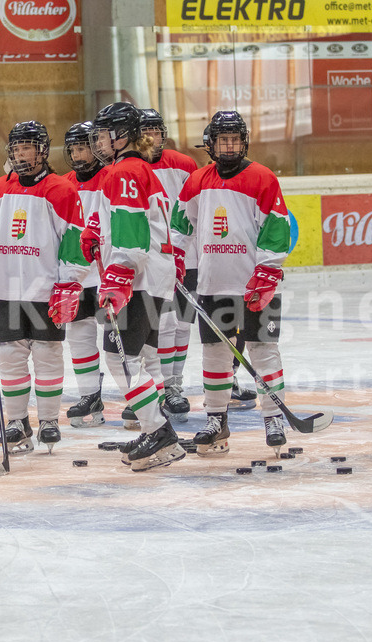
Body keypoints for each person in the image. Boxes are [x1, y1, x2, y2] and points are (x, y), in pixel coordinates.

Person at [170, 110, 292, 457]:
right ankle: (216, 420)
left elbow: (277, 227)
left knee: (263, 349)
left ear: (244, 141)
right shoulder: (197, 181)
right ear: (211, 143)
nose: (229, 146)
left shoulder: (263, 178)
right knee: (215, 353)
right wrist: (174, 258)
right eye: (223, 140)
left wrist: (267, 270)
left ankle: (273, 418)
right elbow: (180, 225)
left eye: (235, 139)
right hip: (213, 285)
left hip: (256, 285)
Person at [0, 121, 89, 454]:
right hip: (7, 289)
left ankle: (49, 420)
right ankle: (17, 421)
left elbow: (73, 241)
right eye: (16, 148)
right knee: (10, 357)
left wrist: (69, 283)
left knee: (47, 355)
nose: (21, 155)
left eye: (27, 148)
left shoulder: (61, 190)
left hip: (45, 289)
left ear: (42, 151)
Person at [81, 101, 186, 471]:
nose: (98, 141)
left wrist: (119, 274)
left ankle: (159, 432)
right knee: (139, 356)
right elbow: (129, 218)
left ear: (122, 135)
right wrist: (97, 228)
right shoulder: (134, 168)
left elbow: (132, 230)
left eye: (104, 134)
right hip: (153, 278)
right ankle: (153, 428)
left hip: (140, 279)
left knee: (119, 357)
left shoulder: (125, 170)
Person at [140, 108, 199, 424]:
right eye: (145, 132)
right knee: (160, 324)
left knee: (182, 323)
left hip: (187, 257)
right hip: (150, 260)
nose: (151, 137)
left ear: (163, 134)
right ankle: (159, 387)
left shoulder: (184, 164)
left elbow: (197, 208)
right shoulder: (128, 168)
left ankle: (174, 385)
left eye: (156, 131)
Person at [61, 121, 110, 428]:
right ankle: (90, 395)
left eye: (83, 148)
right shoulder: (63, 183)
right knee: (79, 335)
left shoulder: (112, 177)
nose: (78, 155)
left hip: (108, 275)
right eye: (74, 149)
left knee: (120, 340)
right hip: (78, 275)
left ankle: (139, 398)